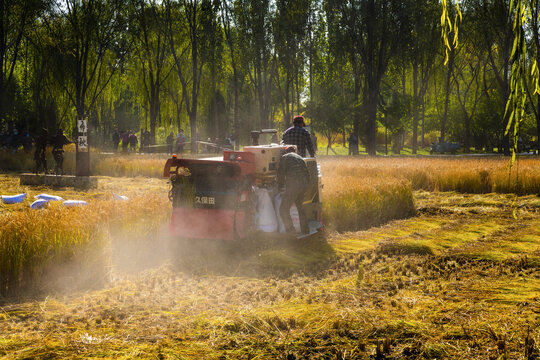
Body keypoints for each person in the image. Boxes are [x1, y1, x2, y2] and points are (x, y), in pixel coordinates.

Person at [277, 146, 310, 234]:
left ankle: (291, 232)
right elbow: (307, 174)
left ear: (285, 152)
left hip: (294, 185)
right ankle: (305, 230)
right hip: (304, 185)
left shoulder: (285, 157)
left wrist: (279, 186)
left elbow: (280, 174)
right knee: (300, 206)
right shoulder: (300, 158)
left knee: (283, 209)